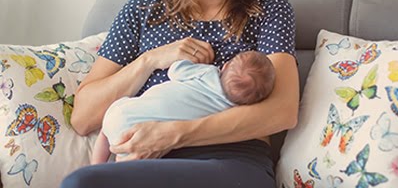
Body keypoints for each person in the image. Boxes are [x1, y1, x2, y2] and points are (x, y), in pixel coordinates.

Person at [62, 0, 299, 188]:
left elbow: (282, 112)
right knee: (82, 182)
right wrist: (149, 60)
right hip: (145, 164)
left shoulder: (269, 9)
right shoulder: (142, 10)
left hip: (232, 161)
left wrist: (174, 133)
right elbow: (83, 117)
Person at [91, 50, 276, 164]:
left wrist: (195, 63)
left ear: (225, 65)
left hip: (124, 112)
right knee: (128, 162)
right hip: (142, 137)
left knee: (105, 133)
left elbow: (176, 70)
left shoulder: (207, 73)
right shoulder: (228, 111)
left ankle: (96, 166)